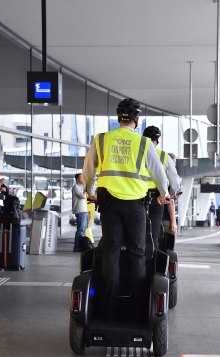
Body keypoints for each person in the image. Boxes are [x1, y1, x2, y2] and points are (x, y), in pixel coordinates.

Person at [81, 98, 170, 321]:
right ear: (137, 120)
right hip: (135, 206)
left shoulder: (102, 140)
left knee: (109, 253)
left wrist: (90, 191)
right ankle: (137, 308)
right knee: (137, 253)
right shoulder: (143, 143)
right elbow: (159, 174)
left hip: (109, 203)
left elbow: (88, 171)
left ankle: (107, 309)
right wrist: (162, 194)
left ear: (117, 117)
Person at [141, 125, 181, 251]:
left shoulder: (137, 152)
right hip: (157, 198)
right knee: (154, 233)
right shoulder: (164, 156)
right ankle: (154, 260)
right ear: (157, 141)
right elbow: (174, 182)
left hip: (136, 195)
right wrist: (168, 196)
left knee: (135, 230)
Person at [71, 173, 89, 252]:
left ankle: (82, 245)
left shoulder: (82, 187)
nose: (82, 179)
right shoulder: (75, 187)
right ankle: (76, 246)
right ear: (77, 179)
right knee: (81, 229)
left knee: (84, 229)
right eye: (81, 178)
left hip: (84, 210)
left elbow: (88, 194)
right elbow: (82, 196)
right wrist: (85, 192)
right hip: (79, 210)